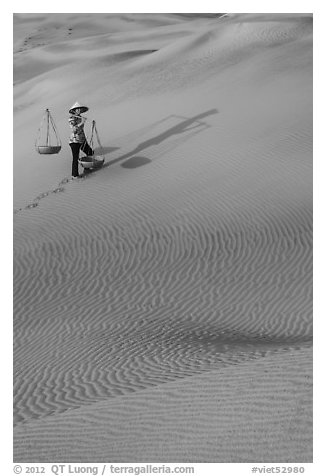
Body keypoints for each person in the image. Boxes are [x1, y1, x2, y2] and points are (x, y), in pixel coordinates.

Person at [68, 102, 94, 178]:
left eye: (80, 109)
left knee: (90, 152)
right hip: (74, 141)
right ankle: (74, 175)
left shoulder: (80, 117)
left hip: (82, 140)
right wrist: (82, 122)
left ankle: (87, 168)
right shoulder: (71, 118)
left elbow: (81, 129)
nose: (79, 110)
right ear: (74, 110)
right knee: (75, 158)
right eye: (78, 109)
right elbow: (74, 130)